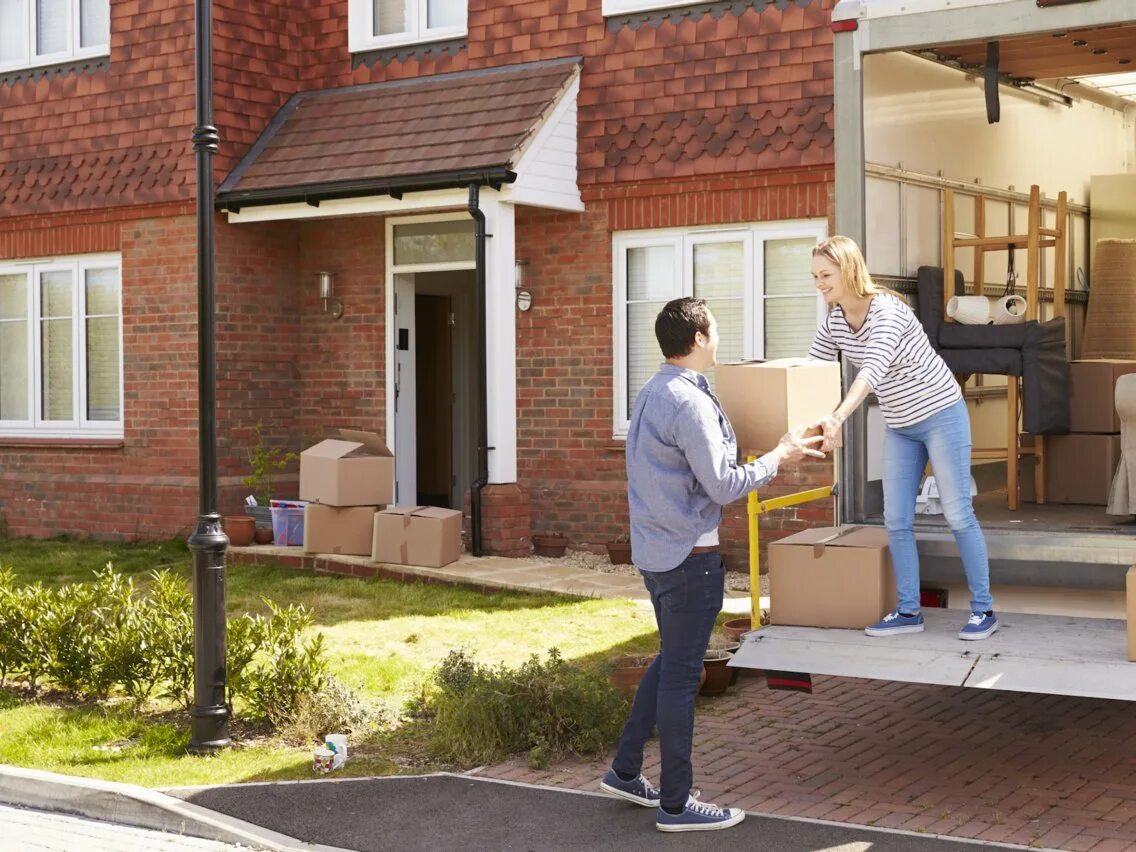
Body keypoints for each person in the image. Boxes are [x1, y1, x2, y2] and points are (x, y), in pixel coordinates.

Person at [599, 296, 824, 832]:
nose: (720, 338)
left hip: (658, 553)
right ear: (698, 338)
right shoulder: (690, 402)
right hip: (688, 559)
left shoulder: (654, 392)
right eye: (716, 330)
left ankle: (626, 771)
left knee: (669, 660)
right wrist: (779, 457)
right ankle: (676, 805)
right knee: (682, 674)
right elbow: (723, 485)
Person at [805, 235, 998, 641]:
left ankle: (984, 610)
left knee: (958, 512)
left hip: (941, 415)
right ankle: (909, 611)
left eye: (825, 275)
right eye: (815, 276)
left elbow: (871, 371)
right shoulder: (834, 320)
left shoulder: (888, 312)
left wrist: (838, 417)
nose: (819, 283)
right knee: (895, 519)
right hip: (901, 425)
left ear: (848, 270)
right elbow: (813, 371)